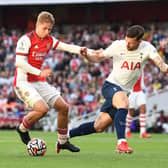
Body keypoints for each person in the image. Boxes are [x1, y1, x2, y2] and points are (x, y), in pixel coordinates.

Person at [69, 25, 168, 154]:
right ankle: (122, 143)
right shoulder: (118, 45)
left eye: (131, 43)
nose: (127, 45)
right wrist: (87, 56)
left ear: (139, 41)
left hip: (123, 92)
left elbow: (162, 66)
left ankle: (65, 136)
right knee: (124, 103)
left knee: (98, 126)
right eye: (126, 41)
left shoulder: (148, 48)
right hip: (111, 85)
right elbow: (98, 58)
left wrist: (164, 67)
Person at [13, 11, 86, 153]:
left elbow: (65, 46)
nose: (47, 32)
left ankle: (63, 141)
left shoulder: (49, 40)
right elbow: (19, 63)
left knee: (64, 107)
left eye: (49, 29)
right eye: (44, 28)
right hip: (23, 82)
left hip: (38, 81)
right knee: (43, 109)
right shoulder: (25, 40)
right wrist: (40, 72)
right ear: (37, 25)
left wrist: (81, 50)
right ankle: (22, 128)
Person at [125, 73, 152, 138]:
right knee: (131, 111)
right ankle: (127, 131)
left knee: (143, 108)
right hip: (131, 92)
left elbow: (141, 81)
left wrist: (145, 89)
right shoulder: (130, 68)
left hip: (139, 91)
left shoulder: (141, 68)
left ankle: (142, 132)